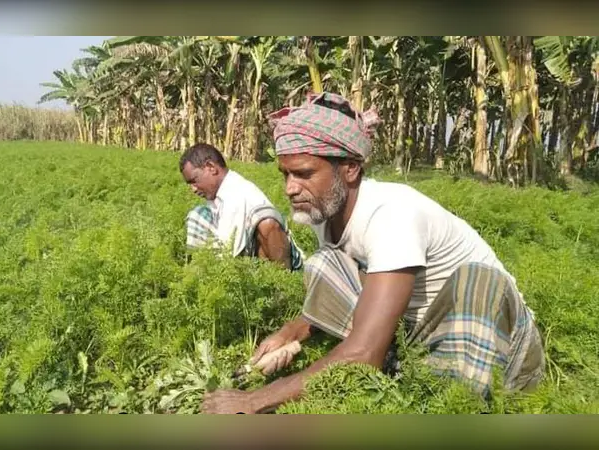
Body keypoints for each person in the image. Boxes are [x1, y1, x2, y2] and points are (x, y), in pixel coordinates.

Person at [201, 92, 546, 414]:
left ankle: (455, 404)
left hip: (496, 345)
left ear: (350, 168)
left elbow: (364, 353)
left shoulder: (392, 214)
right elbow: (358, 287)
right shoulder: (327, 211)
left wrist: (253, 401)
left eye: (304, 173)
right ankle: (401, 369)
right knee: (326, 264)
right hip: (419, 333)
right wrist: (291, 332)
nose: (290, 188)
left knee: (480, 281)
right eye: (286, 174)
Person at [180, 142, 304, 271]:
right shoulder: (219, 193)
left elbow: (231, 251)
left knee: (267, 222)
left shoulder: (238, 193)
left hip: (261, 265)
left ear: (211, 167)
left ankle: (282, 283)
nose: (193, 189)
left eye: (194, 180)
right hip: (243, 262)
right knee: (197, 214)